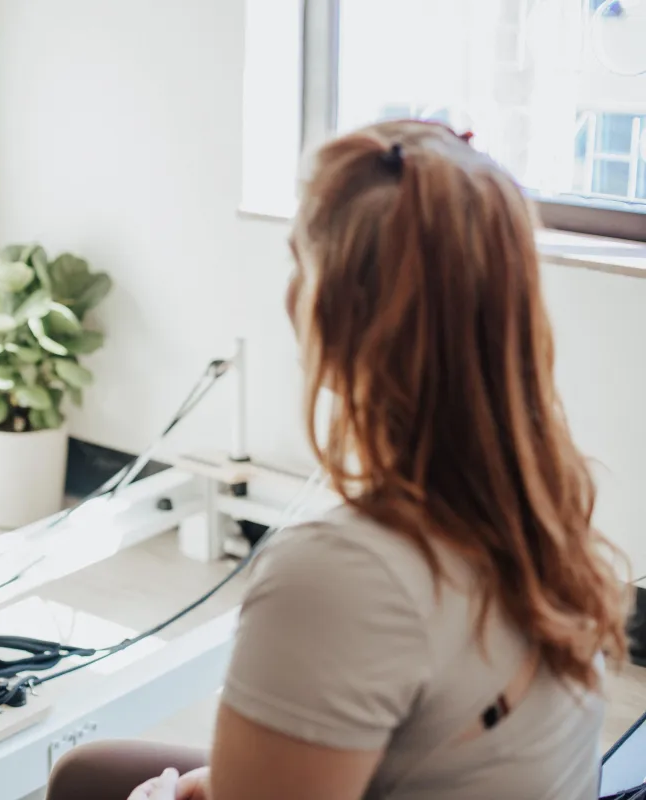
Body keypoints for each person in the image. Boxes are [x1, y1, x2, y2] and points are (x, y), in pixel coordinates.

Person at [46, 119, 633, 800]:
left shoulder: (337, 577)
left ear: (337, 311)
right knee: (87, 770)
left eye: (299, 259)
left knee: (89, 785)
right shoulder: (546, 500)